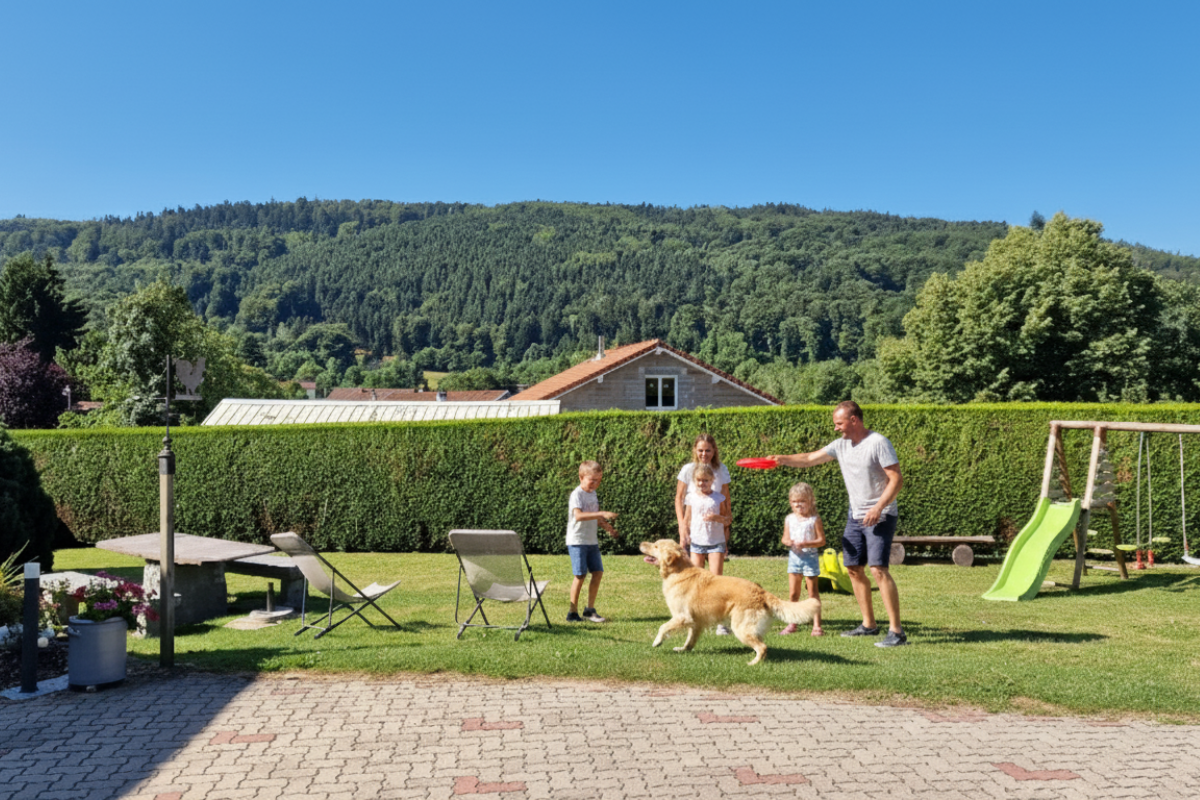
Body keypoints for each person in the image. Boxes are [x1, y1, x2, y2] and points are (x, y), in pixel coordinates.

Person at [769, 400, 906, 647]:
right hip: (855, 516)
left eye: (839, 423)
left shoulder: (878, 443)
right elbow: (810, 458)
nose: (836, 428)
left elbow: (896, 480)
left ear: (854, 420)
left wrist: (878, 508)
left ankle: (896, 632)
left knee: (878, 569)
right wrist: (782, 459)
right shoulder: (840, 445)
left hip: (881, 515)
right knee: (853, 568)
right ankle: (868, 625)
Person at [681, 463, 734, 634]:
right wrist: (685, 537)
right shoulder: (691, 498)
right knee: (696, 582)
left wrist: (716, 517)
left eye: (705, 480)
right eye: (699, 480)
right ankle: (696, 618)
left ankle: (721, 622)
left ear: (712, 480)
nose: (702, 483)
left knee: (716, 581)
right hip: (697, 543)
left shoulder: (719, 498)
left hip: (715, 543)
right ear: (694, 481)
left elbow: (727, 520)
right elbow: (687, 519)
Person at [566, 460, 619, 623]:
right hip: (577, 541)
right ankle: (572, 612)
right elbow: (579, 516)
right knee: (580, 575)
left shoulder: (592, 494)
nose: (596, 484)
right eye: (592, 480)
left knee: (597, 572)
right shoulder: (577, 494)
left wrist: (608, 527)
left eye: (599, 480)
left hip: (591, 541)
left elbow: (594, 516)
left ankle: (589, 610)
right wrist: (602, 513)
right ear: (581, 477)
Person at [780, 482, 826, 636]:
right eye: (794, 502)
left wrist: (806, 543)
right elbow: (785, 538)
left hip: (810, 559)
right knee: (793, 594)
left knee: (812, 593)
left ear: (810, 501)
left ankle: (817, 625)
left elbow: (821, 541)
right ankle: (792, 623)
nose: (798, 505)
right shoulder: (789, 519)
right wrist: (788, 542)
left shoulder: (814, 519)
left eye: (802, 501)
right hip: (794, 559)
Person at [675, 433, 732, 549]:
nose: (704, 454)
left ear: (714, 451)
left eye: (708, 450)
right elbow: (679, 498)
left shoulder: (722, 469)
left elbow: (726, 498)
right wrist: (682, 526)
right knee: (690, 566)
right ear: (695, 450)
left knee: (714, 567)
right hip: (692, 528)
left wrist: (727, 525)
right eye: (700, 450)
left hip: (714, 531)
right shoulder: (687, 469)